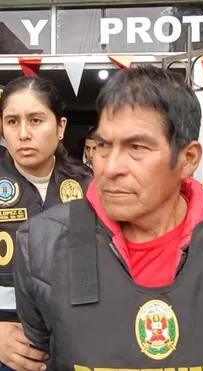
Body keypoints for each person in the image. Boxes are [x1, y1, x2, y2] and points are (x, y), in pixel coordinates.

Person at [13, 66, 203, 371]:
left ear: (188, 159)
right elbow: (42, 350)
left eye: (136, 148)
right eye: (104, 146)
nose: (109, 168)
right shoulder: (43, 245)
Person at [0, 76, 92, 371]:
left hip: (78, 341)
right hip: (9, 345)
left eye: (36, 120)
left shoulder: (91, 186)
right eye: (12, 122)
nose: (24, 134)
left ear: (61, 127)